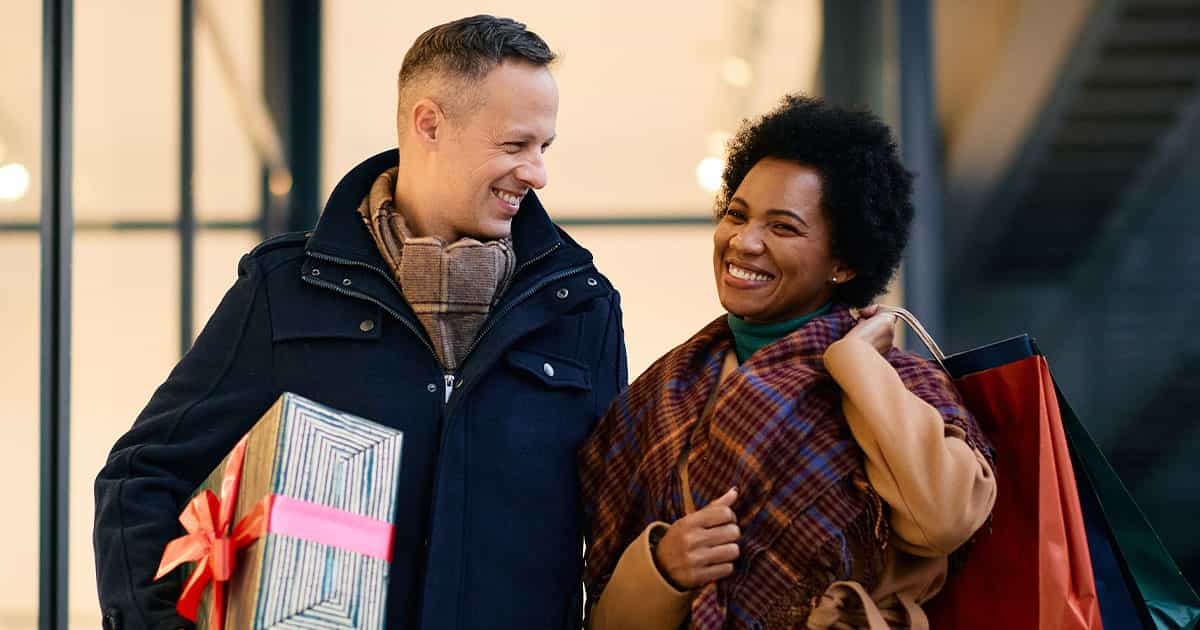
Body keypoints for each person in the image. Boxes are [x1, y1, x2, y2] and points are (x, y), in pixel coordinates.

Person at [94, 15, 626, 630]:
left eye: (543, 148)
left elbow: (615, 535)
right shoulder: (285, 289)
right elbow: (142, 478)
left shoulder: (581, 307)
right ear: (429, 124)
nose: (536, 173)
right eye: (514, 146)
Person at [580, 95, 997, 629]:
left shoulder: (898, 383)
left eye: (782, 227)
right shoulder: (657, 398)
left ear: (843, 263)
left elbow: (941, 519)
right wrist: (662, 568)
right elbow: (603, 619)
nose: (744, 241)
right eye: (737, 214)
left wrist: (857, 364)